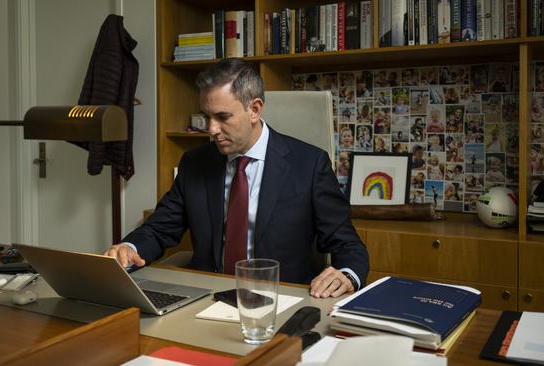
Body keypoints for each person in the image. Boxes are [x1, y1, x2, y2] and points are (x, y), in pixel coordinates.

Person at [104, 59, 368, 298]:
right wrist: (128, 247)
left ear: (254, 109)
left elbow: (345, 242)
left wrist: (346, 274)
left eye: (222, 117)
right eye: (207, 116)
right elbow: (160, 228)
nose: (211, 129)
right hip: (207, 296)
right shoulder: (195, 163)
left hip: (281, 299)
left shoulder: (309, 164)